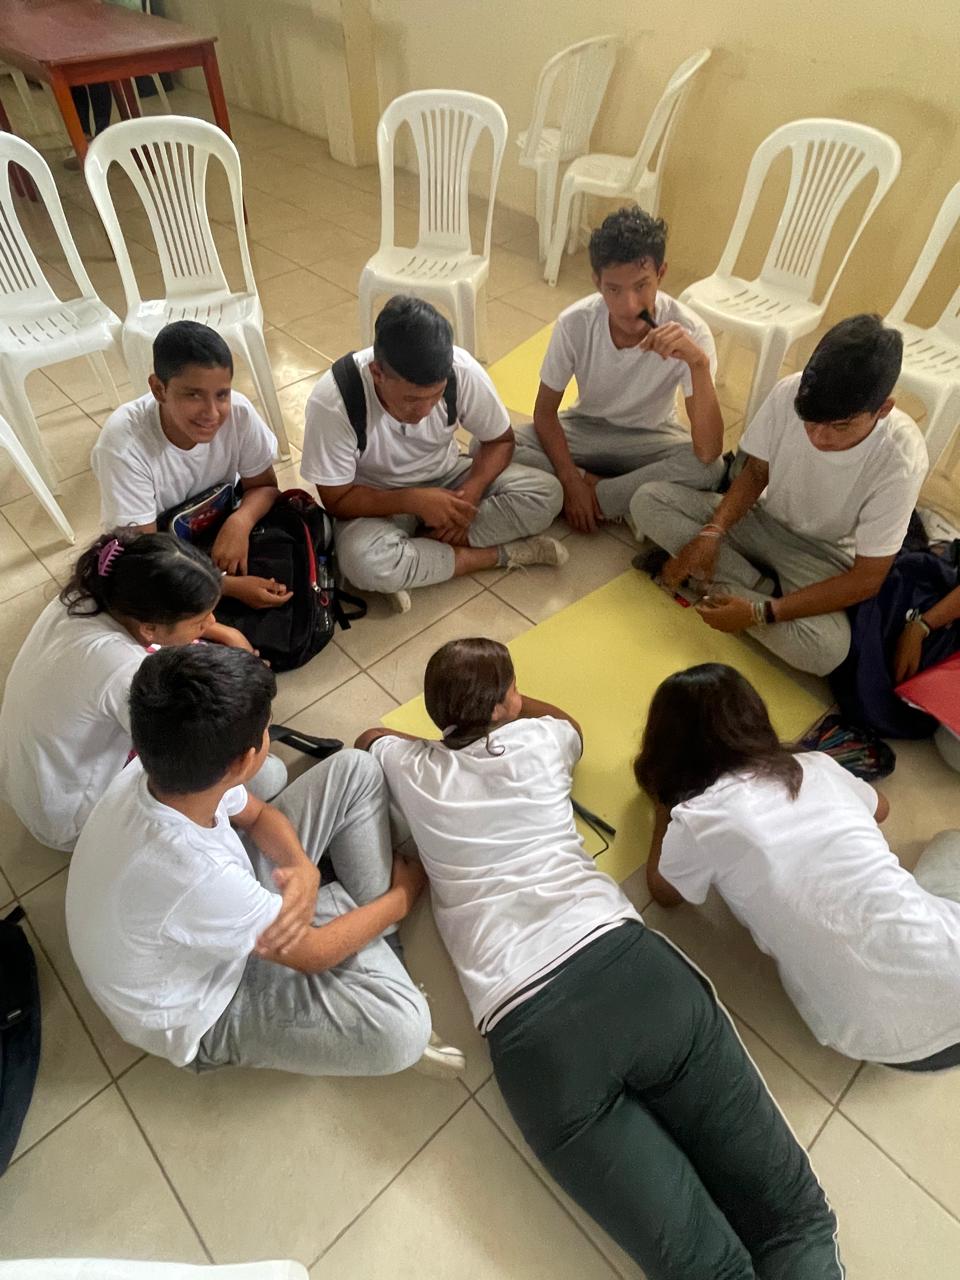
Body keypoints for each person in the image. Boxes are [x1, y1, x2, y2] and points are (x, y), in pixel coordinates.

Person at [356, 638, 843, 1280]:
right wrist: (511, 710)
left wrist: (440, 739)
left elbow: (369, 737)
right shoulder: (539, 742)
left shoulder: (411, 768)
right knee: (793, 1221)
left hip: (533, 1037)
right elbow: (570, 725)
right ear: (506, 704)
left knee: (706, 1269)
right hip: (631, 973)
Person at [66, 644, 463, 1079]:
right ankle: (364, 927)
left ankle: (355, 924)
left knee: (356, 769)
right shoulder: (195, 873)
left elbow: (257, 815)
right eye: (266, 730)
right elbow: (312, 954)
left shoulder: (163, 768)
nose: (268, 736)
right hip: (204, 1005)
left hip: (211, 910)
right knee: (403, 1033)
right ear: (242, 761)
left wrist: (302, 868)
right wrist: (402, 896)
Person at [636, 662, 960, 1071]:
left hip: (867, 1038)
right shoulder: (814, 767)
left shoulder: (697, 818)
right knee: (951, 844)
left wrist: (664, 809)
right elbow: (882, 808)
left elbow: (663, 891)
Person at [630, 313, 929, 676]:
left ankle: (720, 582)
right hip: (761, 520)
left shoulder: (901, 458)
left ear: (883, 410)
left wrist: (761, 613)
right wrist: (712, 532)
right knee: (647, 501)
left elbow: (867, 578)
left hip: (823, 557)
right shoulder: (790, 391)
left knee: (827, 651)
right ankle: (751, 584)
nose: (818, 437)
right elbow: (757, 472)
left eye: (840, 426)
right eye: (811, 421)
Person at [0, 530, 286, 853]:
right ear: (149, 628)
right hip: (70, 816)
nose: (212, 622)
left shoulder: (93, 592)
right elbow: (190, 762)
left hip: (28, 775)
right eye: (200, 620)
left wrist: (227, 633)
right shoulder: (123, 671)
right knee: (268, 776)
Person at [300, 296, 567, 614]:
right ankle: (495, 556)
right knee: (362, 561)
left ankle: (418, 559)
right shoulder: (334, 402)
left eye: (436, 396)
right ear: (377, 373)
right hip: (375, 498)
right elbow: (337, 500)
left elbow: (500, 441)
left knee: (547, 494)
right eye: (411, 400)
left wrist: (470, 495)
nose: (425, 410)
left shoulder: (462, 371)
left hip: (448, 476)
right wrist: (413, 501)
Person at [512, 206, 725, 533]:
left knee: (709, 468)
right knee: (497, 444)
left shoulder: (691, 331)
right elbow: (544, 413)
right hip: (587, 429)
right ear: (597, 282)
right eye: (614, 289)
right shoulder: (575, 323)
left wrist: (699, 364)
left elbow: (708, 451)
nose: (629, 305)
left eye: (641, 286)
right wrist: (571, 480)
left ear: (661, 274)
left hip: (650, 436)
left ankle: (598, 495)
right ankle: (618, 499)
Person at [91, 320, 292, 613]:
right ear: (158, 389)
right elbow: (144, 556)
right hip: (160, 555)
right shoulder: (123, 446)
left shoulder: (239, 413)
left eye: (222, 394)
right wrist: (227, 586)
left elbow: (264, 486)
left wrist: (240, 522)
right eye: (193, 394)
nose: (212, 413)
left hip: (216, 529)